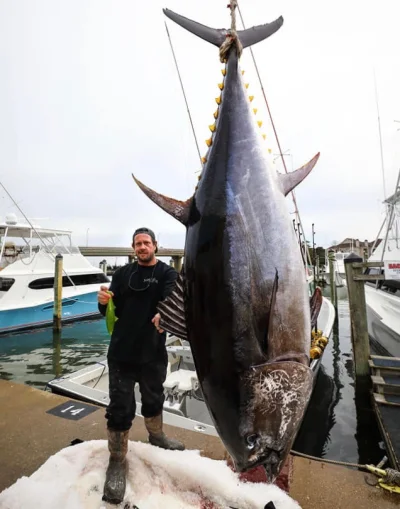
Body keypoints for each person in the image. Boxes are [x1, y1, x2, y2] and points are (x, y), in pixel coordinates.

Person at [97, 227, 184, 505]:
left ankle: (156, 436)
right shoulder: (122, 275)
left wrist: (164, 313)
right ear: (133, 248)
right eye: (138, 243)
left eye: (147, 243)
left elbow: (173, 299)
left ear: (156, 246)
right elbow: (111, 311)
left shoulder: (168, 274)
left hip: (152, 354)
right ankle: (117, 461)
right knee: (120, 408)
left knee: (153, 398)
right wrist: (103, 303)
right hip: (121, 353)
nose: (142, 247)